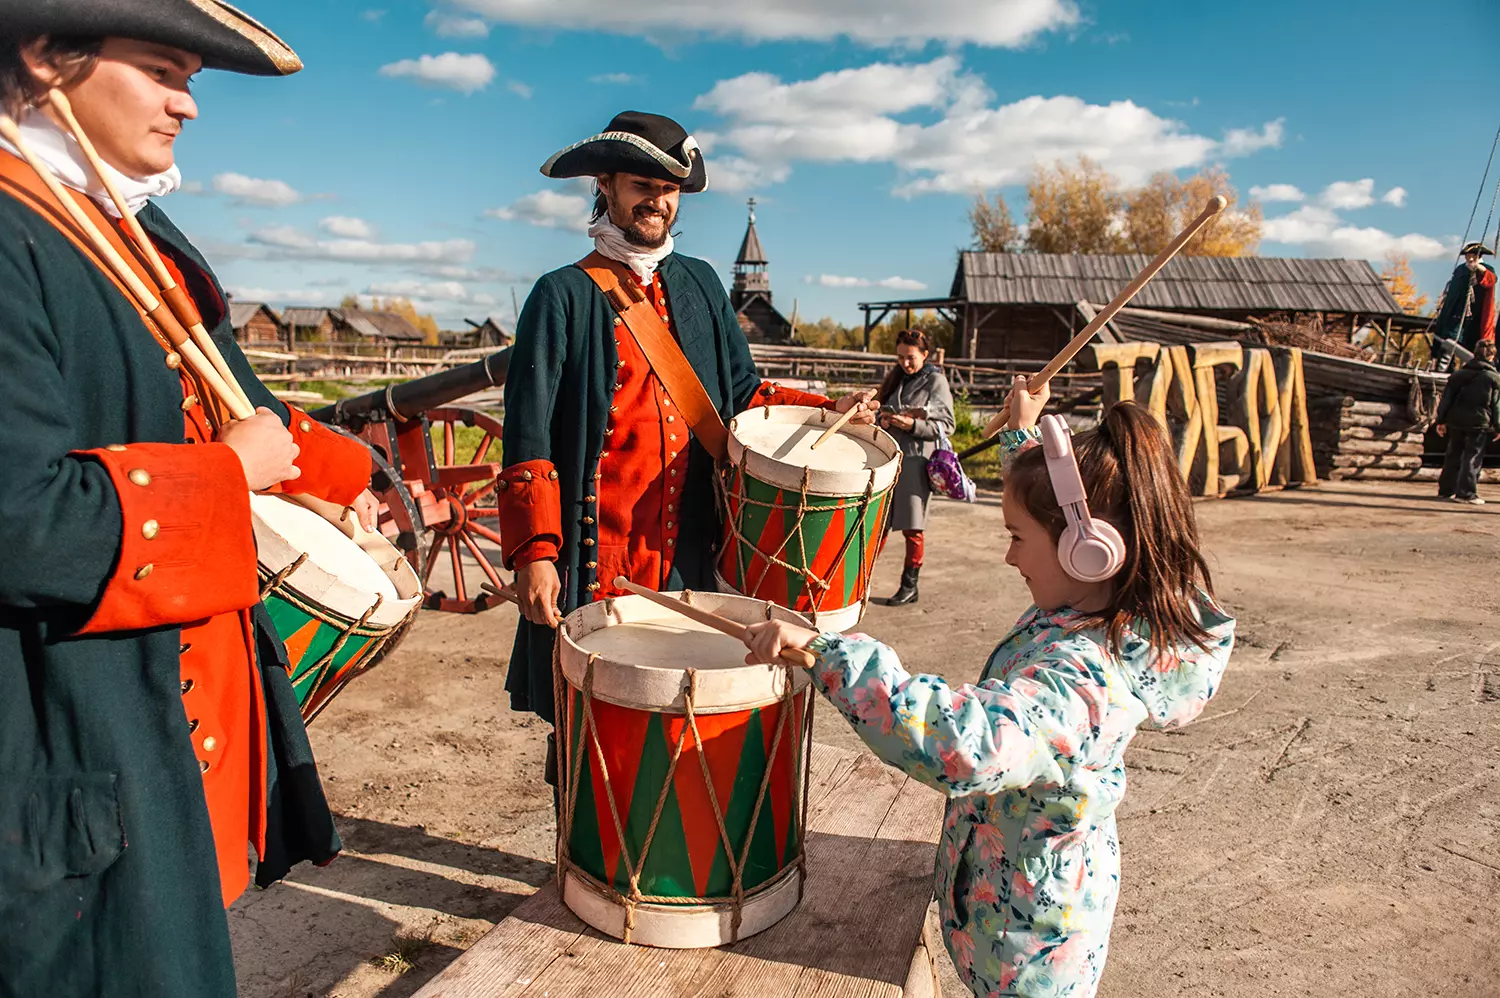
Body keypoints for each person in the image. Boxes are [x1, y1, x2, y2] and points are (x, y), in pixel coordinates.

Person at [0, 6, 379, 995]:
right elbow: (18, 518)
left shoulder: (131, 227)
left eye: (192, 80)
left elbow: (233, 401)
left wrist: (351, 484)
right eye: (164, 70)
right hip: (62, 724)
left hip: (165, 715)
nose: (188, 105)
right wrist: (225, 478)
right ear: (44, 58)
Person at [740, 376, 1235, 998]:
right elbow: (1058, 513)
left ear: (1088, 552)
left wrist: (827, 651)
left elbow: (963, 743)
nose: (1009, 557)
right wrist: (1024, 437)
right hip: (1009, 908)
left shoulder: (1083, 682)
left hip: (1030, 954)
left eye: (1016, 538)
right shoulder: (1101, 607)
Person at [497, 111, 877, 785]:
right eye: (643, 185)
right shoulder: (561, 295)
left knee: (686, 718)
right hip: (597, 553)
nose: (659, 202)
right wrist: (536, 555)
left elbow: (743, 394)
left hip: (692, 552)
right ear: (605, 185)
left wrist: (825, 408)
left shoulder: (700, 283)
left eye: (670, 189)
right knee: (588, 722)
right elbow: (529, 437)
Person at [874, 329, 955, 605]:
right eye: (900, 357)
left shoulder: (936, 381)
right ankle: (860, 581)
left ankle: (909, 586)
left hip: (915, 461)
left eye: (910, 358)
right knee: (878, 525)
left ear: (925, 355)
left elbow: (946, 425)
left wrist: (912, 425)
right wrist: (883, 420)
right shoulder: (897, 378)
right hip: (889, 460)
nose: (905, 363)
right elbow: (882, 411)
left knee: (913, 527)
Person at [1436, 338, 1500, 505]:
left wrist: (1441, 420)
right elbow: (1496, 405)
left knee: (1453, 454)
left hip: (1456, 419)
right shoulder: (1493, 378)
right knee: (1472, 457)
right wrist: (1498, 426)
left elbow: (1446, 399)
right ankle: (1466, 493)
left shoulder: (1457, 375)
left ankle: (1446, 491)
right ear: (1492, 357)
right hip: (1479, 421)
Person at [1432, 242, 1496, 370]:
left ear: (1478, 255)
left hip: (1474, 315)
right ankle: (1444, 369)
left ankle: (1472, 371)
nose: (1469, 258)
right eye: (1467, 255)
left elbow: (1491, 280)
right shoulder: (1460, 269)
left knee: (1473, 344)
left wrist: (1479, 269)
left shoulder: (1486, 268)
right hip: (1455, 313)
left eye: (1472, 255)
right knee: (1448, 339)